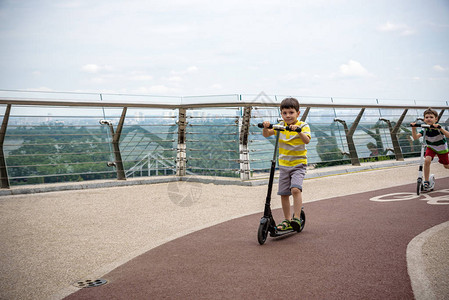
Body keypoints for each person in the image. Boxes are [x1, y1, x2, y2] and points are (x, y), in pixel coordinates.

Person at [262, 98, 311, 231]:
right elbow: (267, 134)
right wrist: (266, 127)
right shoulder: (281, 126)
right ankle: (287, 220)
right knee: (284, 194)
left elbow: (306, 141)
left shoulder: (304, 125)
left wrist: (298, 130)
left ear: (298, 113)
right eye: (284, 113)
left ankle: (296, 217)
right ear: (281, 114)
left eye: (291, 112)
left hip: (299, 164)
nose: (288, 116)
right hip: (284, 165)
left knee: (295, 189)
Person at [411, 108, 449, 191]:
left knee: (446, 166)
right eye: (427, 117)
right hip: (431, 147)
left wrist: (440, 128)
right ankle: (426, 181)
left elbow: (448, 135)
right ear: (424, 119)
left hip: (442, 149)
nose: (429, 119)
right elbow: (415, 137)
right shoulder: (425, 128)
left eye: (431, 117)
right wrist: (413, 129)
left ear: (436, 119)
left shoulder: (438, 128)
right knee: (427, 161)